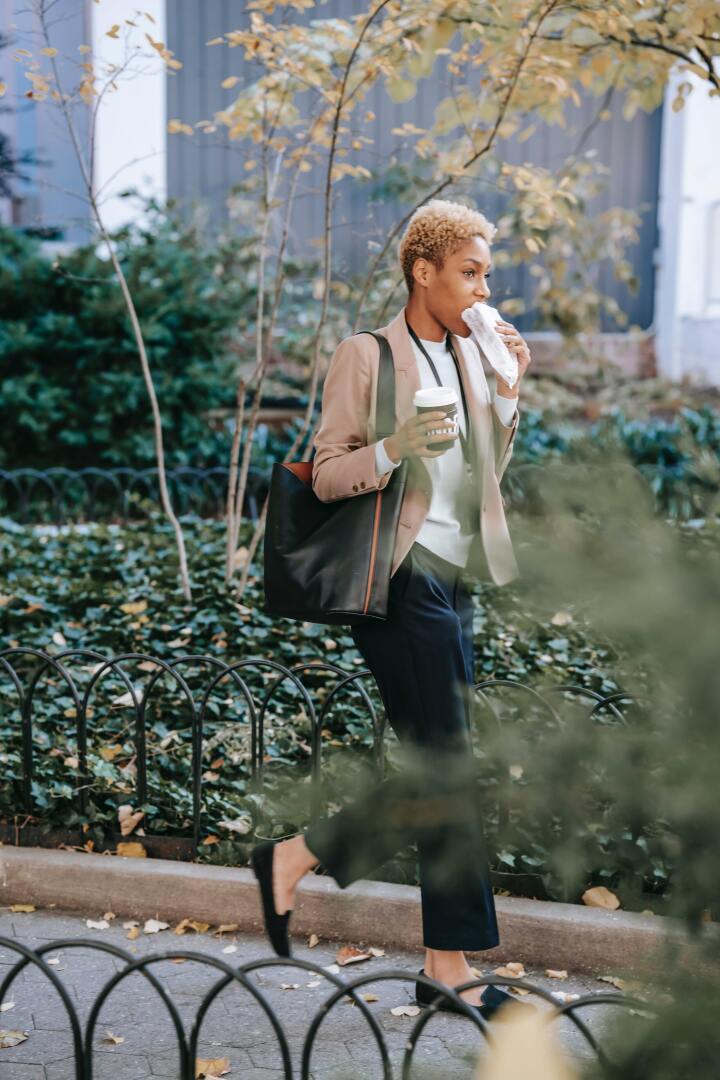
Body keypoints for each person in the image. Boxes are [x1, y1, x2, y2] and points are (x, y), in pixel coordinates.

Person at [251, 198, 532, 1019]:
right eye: (470, 272)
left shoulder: (473, 355)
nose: (484, 289)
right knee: (448, 767)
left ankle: (302, 859)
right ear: (423, 270)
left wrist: (507, 393)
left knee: (444, 770)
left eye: (487, 273)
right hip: (400, 580)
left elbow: (485, 473)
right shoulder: (367, 355)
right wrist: (395, 447)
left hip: (456, 576)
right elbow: (327, 472)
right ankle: (450, 969)